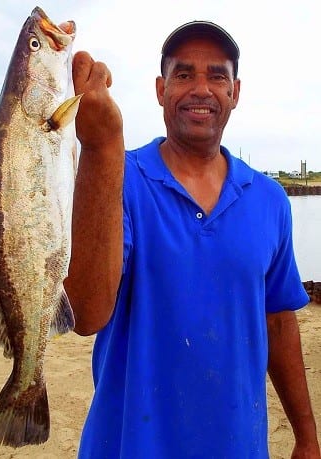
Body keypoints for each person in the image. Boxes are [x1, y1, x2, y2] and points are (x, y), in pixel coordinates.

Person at [65, 20, 321, 458]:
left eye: (217, 75)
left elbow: (278, 322)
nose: (201, 88)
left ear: (235, 92)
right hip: (128, 444)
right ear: (161, 89)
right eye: (184, 75)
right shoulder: (117, 178)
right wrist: (100, 147)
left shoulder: (269, 199)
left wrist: (306, 435)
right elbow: (86, 312)